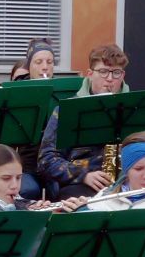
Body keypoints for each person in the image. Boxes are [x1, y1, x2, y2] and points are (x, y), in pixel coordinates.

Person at [39, 43, 129, 195]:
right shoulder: (66, 110)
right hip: (83, 184)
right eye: (103, 72)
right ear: (89, 74)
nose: (109, 79)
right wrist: (82, 175)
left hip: (127, 182)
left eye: (116, 73)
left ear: (123, 75)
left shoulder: (135, 108)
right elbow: (46, 160)